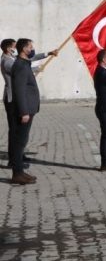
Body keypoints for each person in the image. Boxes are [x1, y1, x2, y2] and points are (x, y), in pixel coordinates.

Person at [2, 38, 56, 169]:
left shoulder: (13, 58)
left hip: (18, 99)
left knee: (20, 133)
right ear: (9, 48)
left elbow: (29, 60)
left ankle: (19, 155)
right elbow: (20, 70)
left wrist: (48, 53)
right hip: (12, 99)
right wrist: (36, 68)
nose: (16, 48)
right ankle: (14, 161)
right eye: (14, 46)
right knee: (15, 132)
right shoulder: (7, 61)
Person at [8, 39, 48, 184]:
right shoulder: (20, 65)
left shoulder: (24, 64)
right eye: (31, 46)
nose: (33, 49)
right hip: (24, 111)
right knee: (19, 142)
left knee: (22, 141)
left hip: (29, 109)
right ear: (24, 49)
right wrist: (24, 111)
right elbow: (19, 91)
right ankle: (17, 174)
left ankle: (20, 172)